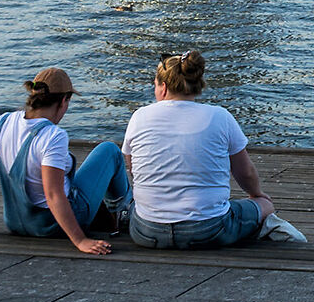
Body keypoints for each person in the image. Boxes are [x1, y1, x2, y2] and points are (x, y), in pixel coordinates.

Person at [122, 51, 302, 248]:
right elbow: (245, 172)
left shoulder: (139, 117)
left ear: (163, 87)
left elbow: (133, 170)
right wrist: (257, 194)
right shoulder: (220, 117)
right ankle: (262, 227)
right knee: (265, 205)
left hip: (146, 231)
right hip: (209, 231)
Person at [0, 67, 125, 256]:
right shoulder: (53, 136)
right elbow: (53, 194)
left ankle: (114, 213)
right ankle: (124, 211)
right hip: (53, 225)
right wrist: (80, 240)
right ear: (64, 101)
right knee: (109, 150)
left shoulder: (2, 122)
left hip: (16, 223)